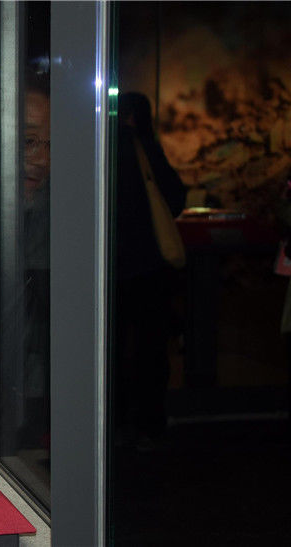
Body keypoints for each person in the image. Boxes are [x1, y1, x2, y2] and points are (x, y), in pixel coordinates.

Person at [115, 91, 187, 450]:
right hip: (148, 268)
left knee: (111, 350)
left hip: (109, 270)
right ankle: (149, 424)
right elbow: (175, 197)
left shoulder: (99, 149)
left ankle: (112, 423)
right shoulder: (143, 147)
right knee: (150, 349)